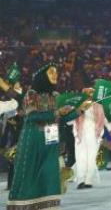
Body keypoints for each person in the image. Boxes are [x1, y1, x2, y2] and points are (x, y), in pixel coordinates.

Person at [8, 64, 85, 210]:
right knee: (31, 175)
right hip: (34, 141)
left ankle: (48, 206)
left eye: (56, 73)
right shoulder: (32, 94)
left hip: (51, 141)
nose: (55, 75)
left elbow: (61, 118)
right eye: (51, 73)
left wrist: (79, 110)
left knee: (50, 174)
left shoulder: (56, 96)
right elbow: (32, 116)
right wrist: (57, 113)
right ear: (43, 76)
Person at [70, 87, 111, 189]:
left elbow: (105, 118)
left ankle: (88, 181)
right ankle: (80, 180)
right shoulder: (78, 105)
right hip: (80, 135)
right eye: (88, 93)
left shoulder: (98, 105)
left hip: (94, 134)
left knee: (91, 158)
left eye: (91, 93)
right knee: (80, 157)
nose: (90, 95)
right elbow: (69, 120)